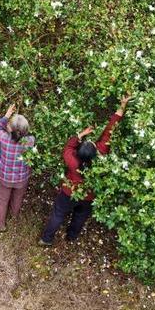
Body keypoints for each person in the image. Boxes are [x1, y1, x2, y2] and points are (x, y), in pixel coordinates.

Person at [39, 94, 132, 246]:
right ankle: (71, 236)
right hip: (89, 196)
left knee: (58, 214)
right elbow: (110, 130)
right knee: (80, 216)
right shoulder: (100, 155)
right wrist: (122, 106)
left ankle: (46, 239)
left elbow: (68, 146)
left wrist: (81, 134)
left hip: (69, 192)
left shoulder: (72, 160)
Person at [0, 104, 35, 232]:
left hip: (5, 178)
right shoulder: (30, 141)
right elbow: (27, 134)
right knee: (18, 197)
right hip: (22, 179)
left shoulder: (4, 138)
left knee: (2, 200)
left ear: (10, 130)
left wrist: (7, 115)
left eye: (9, 125)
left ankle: (0, 225)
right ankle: (14, 215)